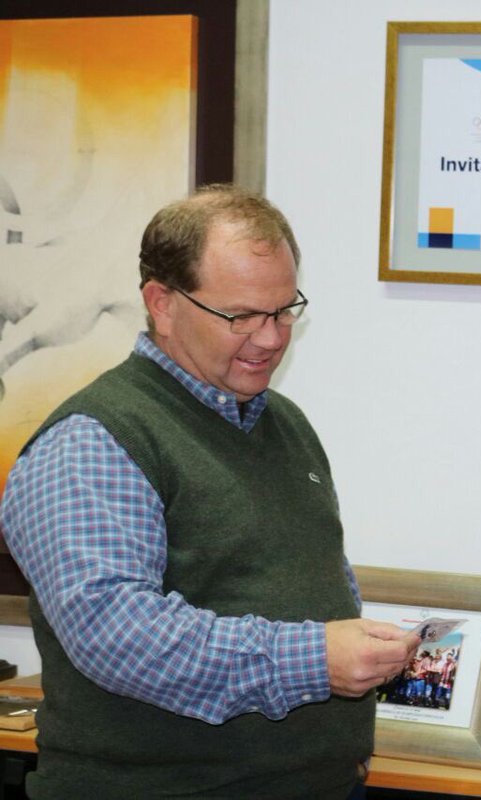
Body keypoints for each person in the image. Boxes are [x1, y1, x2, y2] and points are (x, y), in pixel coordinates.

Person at [0, 185, 421, 799]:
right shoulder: (93, 439)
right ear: (162, 305)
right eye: (241, 316)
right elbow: (117, 634)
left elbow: (304, 581)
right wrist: (313, 658)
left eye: (283, 311)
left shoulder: (284, 423)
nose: (272, 337)